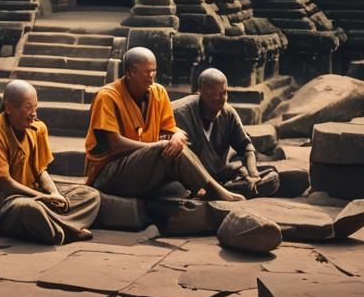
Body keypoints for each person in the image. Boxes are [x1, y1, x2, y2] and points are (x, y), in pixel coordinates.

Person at [84, 47, 246, 202]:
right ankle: (214, 190)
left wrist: (177, 136)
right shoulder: (107, 97)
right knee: (165, 148)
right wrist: (157, 145)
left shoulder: (158, 92)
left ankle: (209, 187)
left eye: (154, 71)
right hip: (109, 175)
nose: (152, 76)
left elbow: (170, 127)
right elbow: (115, 144)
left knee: (176, 186)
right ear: (130, 72)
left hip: (142, 169)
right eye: (147, 72)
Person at [0, 80, 100, 245]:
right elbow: (3, 182)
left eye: (35, 107)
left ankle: (51, 225)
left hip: (32, 195)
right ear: (9, 107)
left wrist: (54, 194)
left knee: (91, 195)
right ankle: (66, 230)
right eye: (28, 107)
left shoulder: (37, 129)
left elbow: (41, 170)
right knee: (29, 209)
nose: (33, 113)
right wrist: (41, 197)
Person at [173, 67, 279, 198]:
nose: (219, 98)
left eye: (223, 93)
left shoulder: (228, 113)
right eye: (212, 93)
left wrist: (253, 173)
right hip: (190, 179)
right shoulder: (180, 113)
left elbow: (246, 147)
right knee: (176, 189)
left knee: (271, 177)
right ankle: (221, 191)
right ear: (199, 91)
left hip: (218, 175)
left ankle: (233, 188)